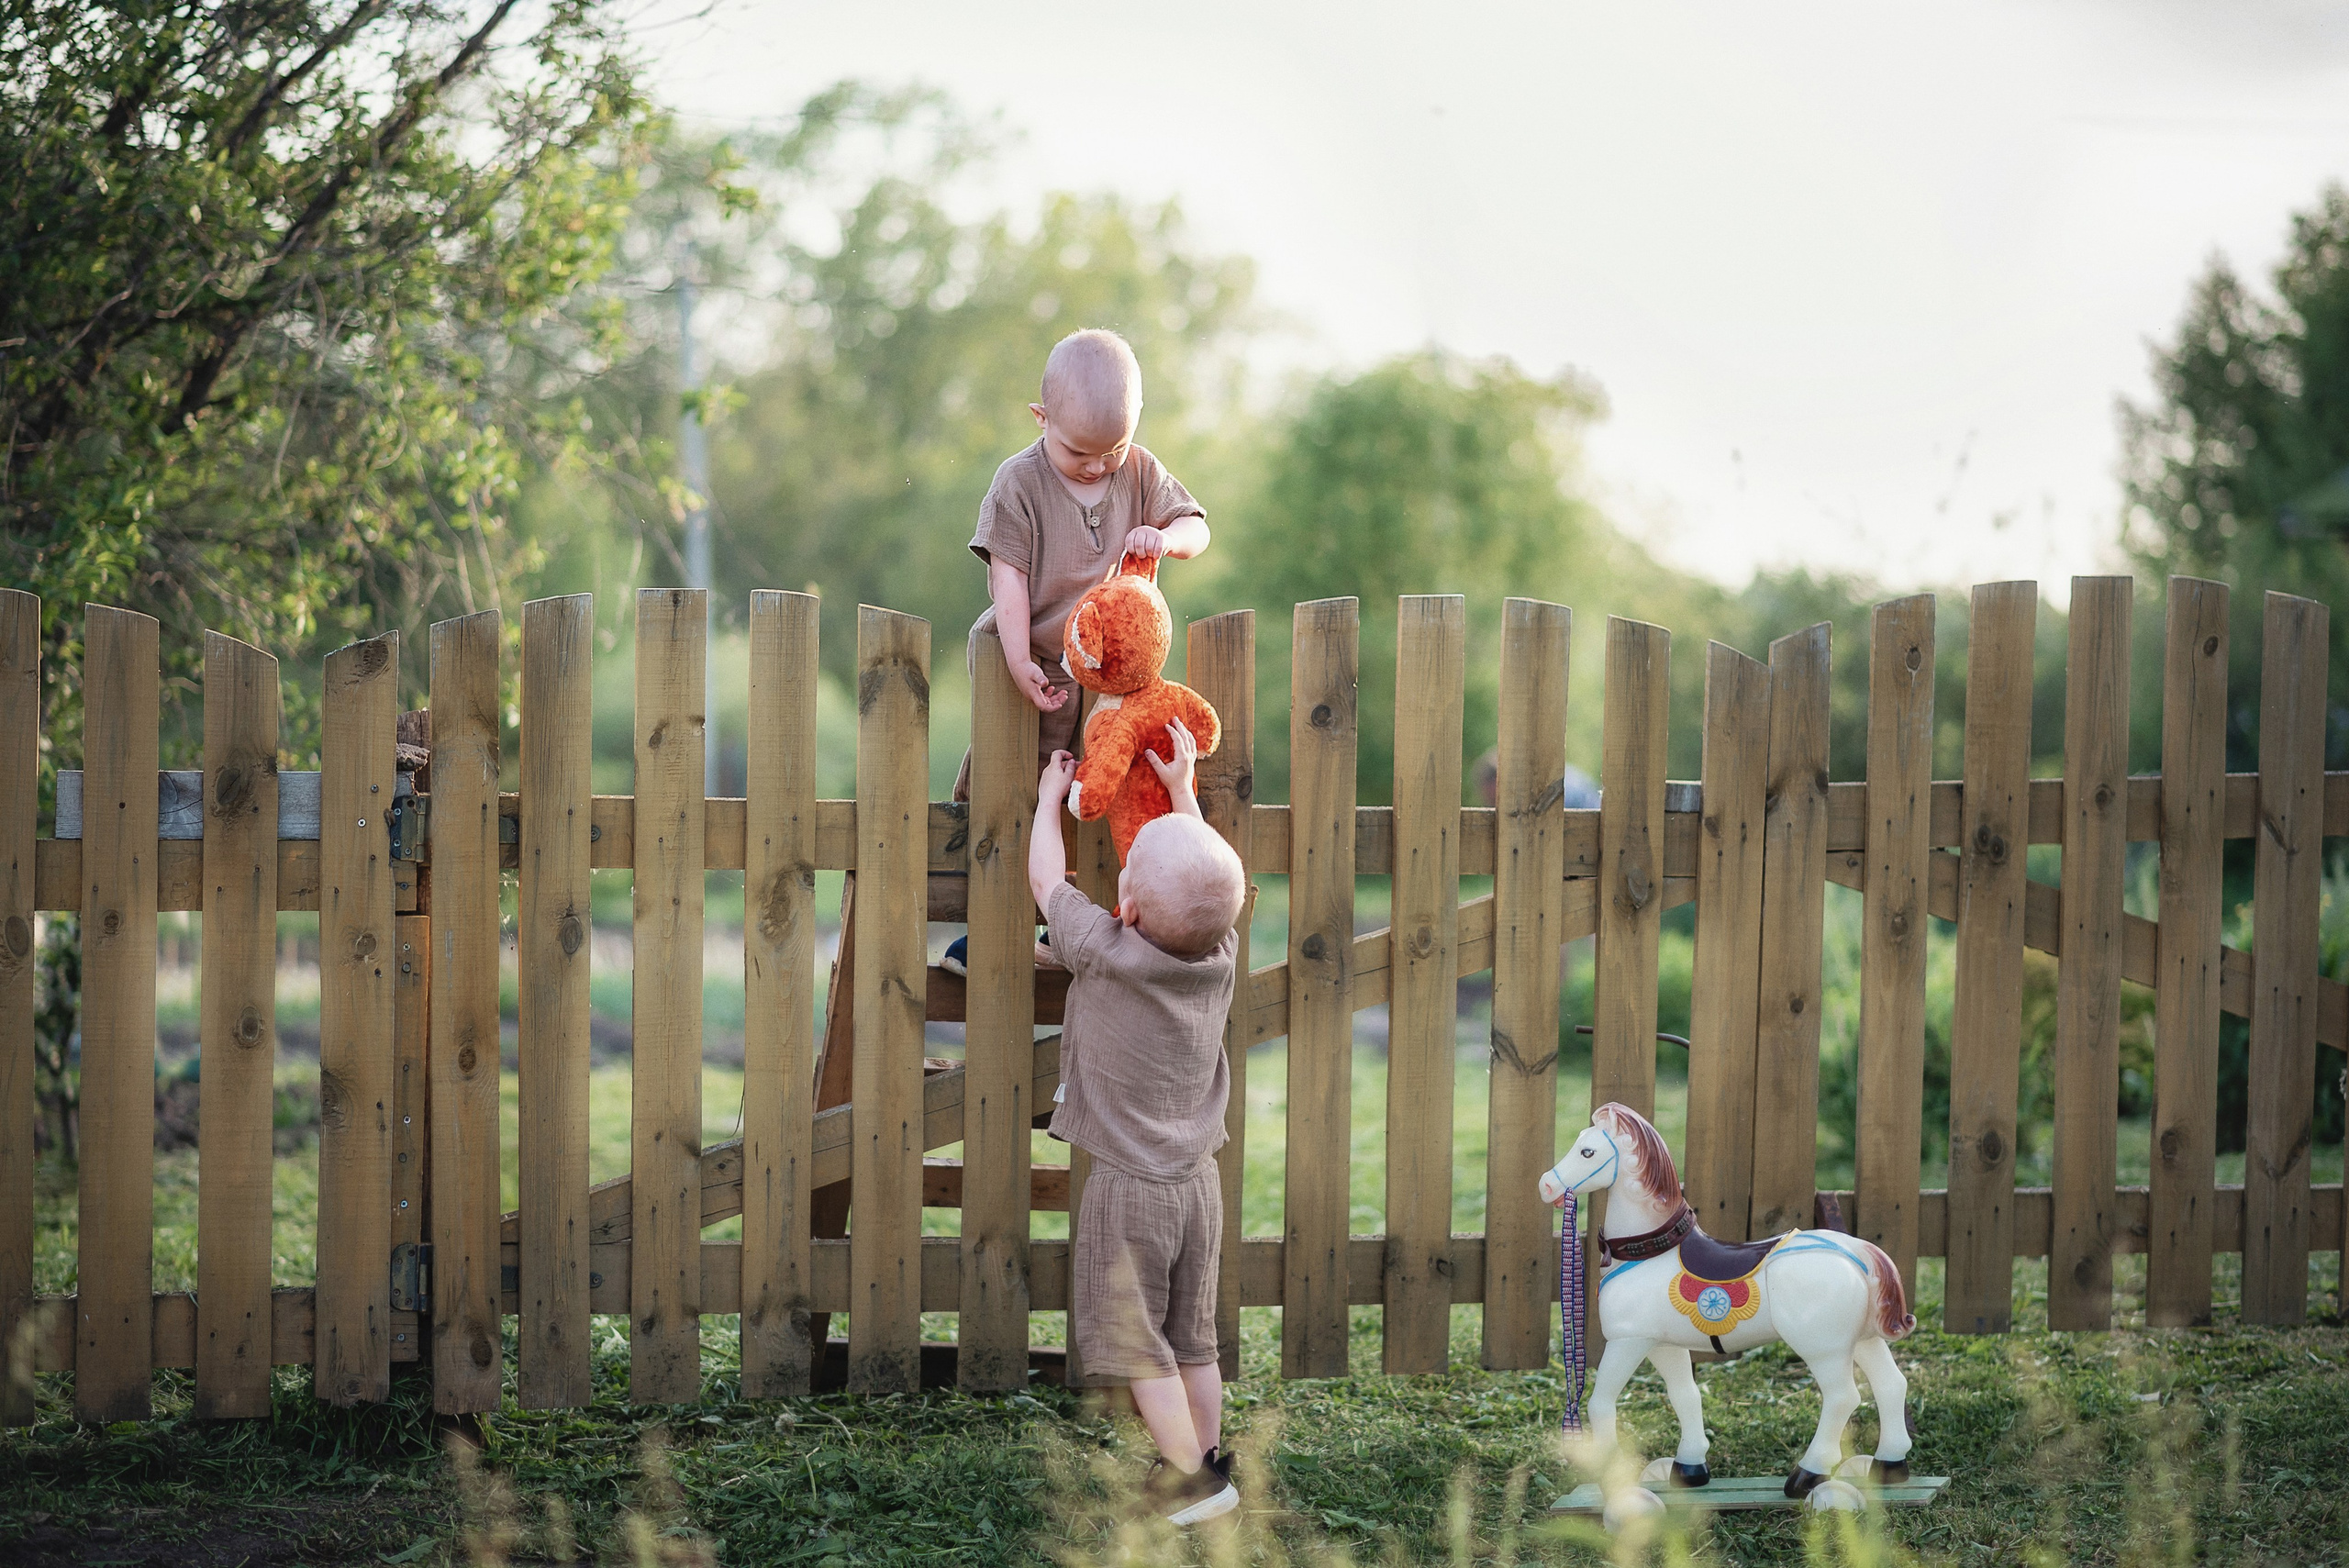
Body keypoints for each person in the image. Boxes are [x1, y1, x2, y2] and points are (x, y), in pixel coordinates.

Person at [1027, 717, 1246, 1526]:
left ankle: (1194, 1481)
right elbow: (1211, 883)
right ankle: (1208, 1457)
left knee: (1134, 1336)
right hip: (1198, 1184)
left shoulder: (1107, 948)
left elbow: (1047, 882)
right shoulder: (1217, 956)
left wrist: (1050, 798)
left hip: (1130, 1187)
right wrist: (1184, 793)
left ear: (1125, 906)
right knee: (1193, 1335)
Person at [943, 328, 1211, 977]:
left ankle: (1100, 926)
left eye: (1110, 450)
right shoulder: (1020, 483)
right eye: (1078, 451)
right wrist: (1015, 660)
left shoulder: (1142, 472)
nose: (1096, 466)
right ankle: (998, 927)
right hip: (1038, 670)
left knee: (1105, 795)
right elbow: (1006, 577)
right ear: (1042, 420)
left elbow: (1198, 528)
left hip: (1112, 681)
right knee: (1017, 793)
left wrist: (1168, 537)